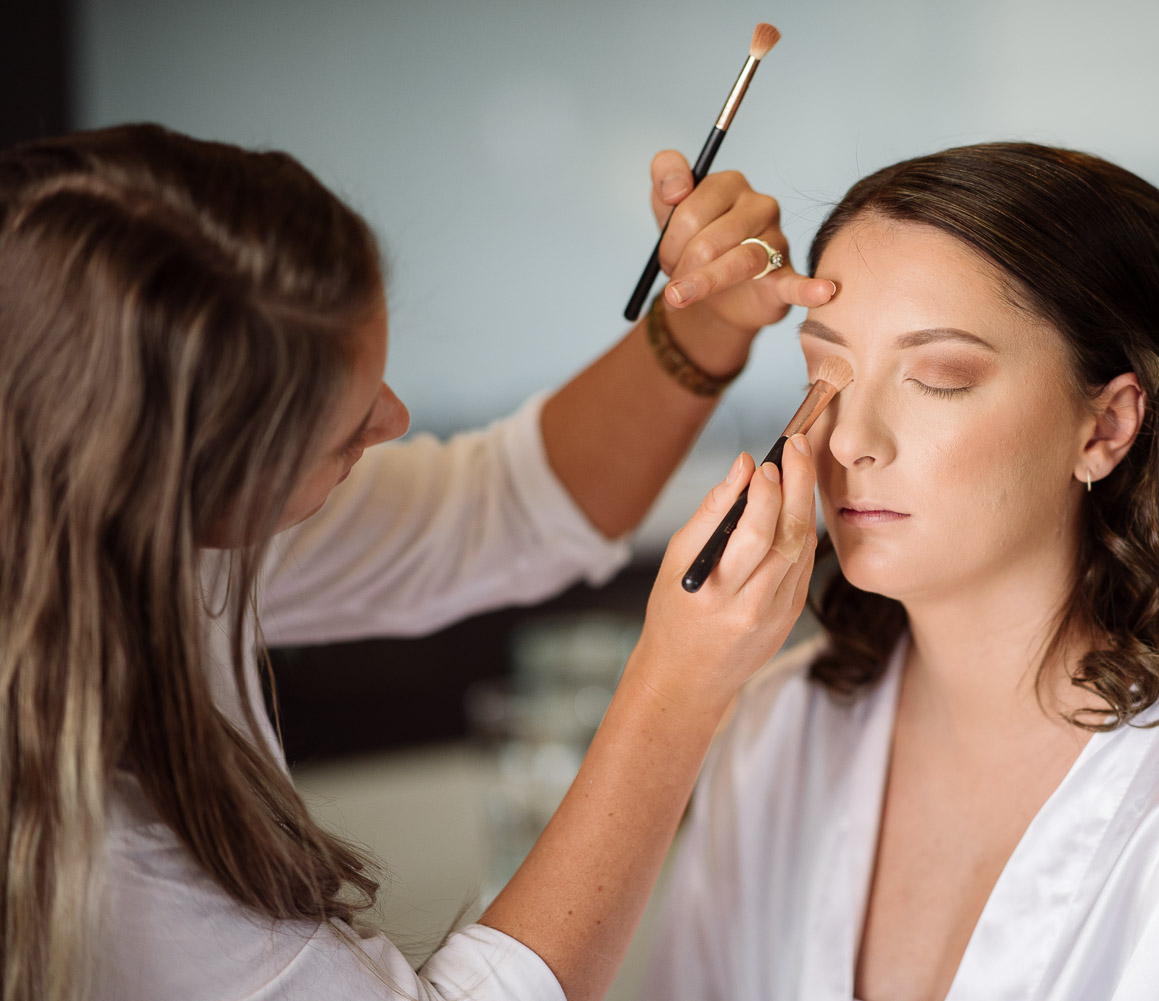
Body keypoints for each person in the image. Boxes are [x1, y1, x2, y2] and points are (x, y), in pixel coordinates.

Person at [0, 123, 828, 1001]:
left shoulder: (103, 498)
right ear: (180, 478)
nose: (393, 421)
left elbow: (500, 506)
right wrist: (677, 685)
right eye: (343, 429)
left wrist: (702, 323)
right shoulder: (104, 827)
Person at [642, 142, 1159, 1000]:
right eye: (825, 371)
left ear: (1106, 427)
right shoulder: (774, 736)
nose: (851, 439)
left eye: (937, 377)